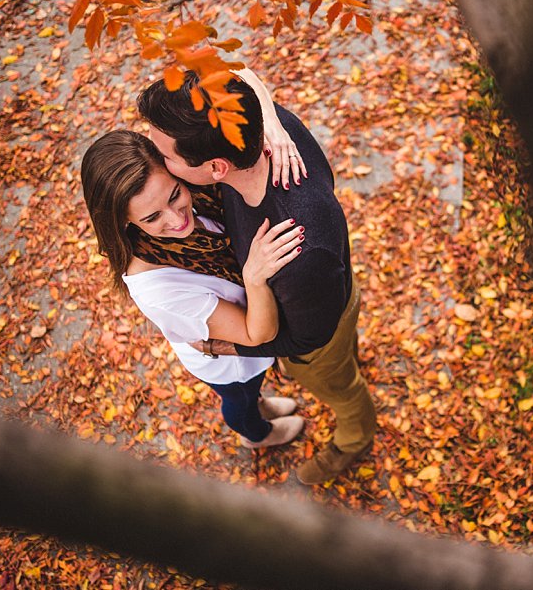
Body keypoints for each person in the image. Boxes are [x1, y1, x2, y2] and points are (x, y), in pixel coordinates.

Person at [137, 72, 377, 485]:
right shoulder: (266, 130)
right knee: (343, 346)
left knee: (342, 388)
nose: (159, 163)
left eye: (167, 157)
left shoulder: (297, 249)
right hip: (333, 290)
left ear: (215, 167)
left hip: (321, 334)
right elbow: (238, 74)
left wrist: (224, 345)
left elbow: (308, 340)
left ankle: (355, 439)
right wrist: (269, 113)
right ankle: (350, 359)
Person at [81, 129, 306, 448]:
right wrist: (254, 277)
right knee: (240, 398)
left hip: (245, 344)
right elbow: (258, 335)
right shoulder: (161, 291)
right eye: (153, 216)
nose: (177, 219)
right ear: (125, 222)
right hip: (232, 362)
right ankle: (256, 435)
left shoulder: (198, 191)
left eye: (174, 195)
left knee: (254, 388)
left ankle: (260, 403)